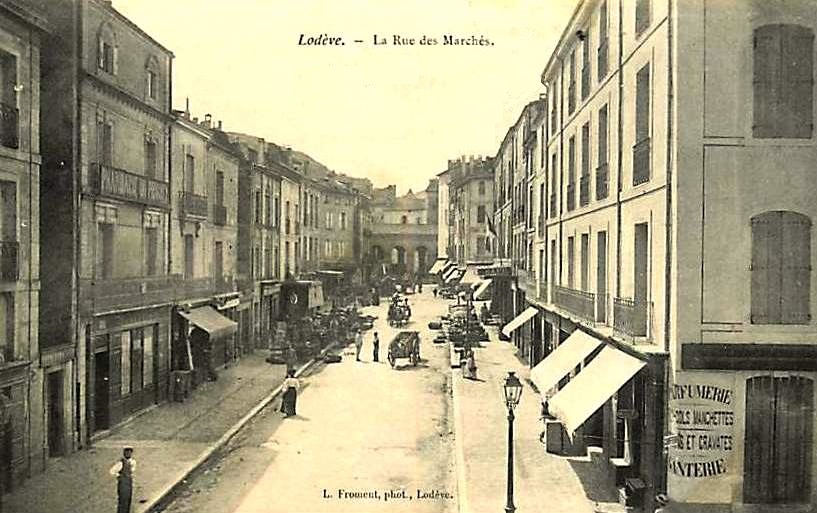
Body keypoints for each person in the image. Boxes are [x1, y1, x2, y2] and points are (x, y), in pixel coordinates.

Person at [109, 447, 136, 513]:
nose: (128, 454)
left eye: (129, 452)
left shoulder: (133, 462)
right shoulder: (120, 463)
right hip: (123, 483)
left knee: (128, 499)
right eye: (126, 452)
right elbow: (112, 471)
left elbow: (132, 470)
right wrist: (119, 475)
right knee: (123, 499)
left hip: (129, 483)